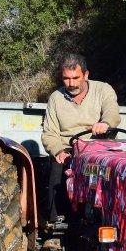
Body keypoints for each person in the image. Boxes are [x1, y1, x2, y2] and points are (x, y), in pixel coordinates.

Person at [40, 53, 121, 223]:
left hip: (98, 148)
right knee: (57, 170)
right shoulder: (55, 98)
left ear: (86, 75)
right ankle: (57, 221)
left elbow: (112, 113)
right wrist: (58, 151)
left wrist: (104, 123)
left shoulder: (103, 90)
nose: (71, 83)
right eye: (66, 79)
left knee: (115, 173)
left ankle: (112, 215)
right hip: (69, 149)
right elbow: (49, 133)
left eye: (76, 78)